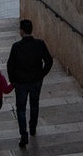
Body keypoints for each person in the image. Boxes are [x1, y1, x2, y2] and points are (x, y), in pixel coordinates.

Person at [6, 18, 53, 148]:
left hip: (21, 82)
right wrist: (42, 74)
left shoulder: (16, 47)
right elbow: (49, 61)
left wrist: (13, 80)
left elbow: (10, 65)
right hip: (36, 81)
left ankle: (23, 134)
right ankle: (32, 128)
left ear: (21, 31)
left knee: (20, 108)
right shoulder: (40, 44)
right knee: (34, 104)